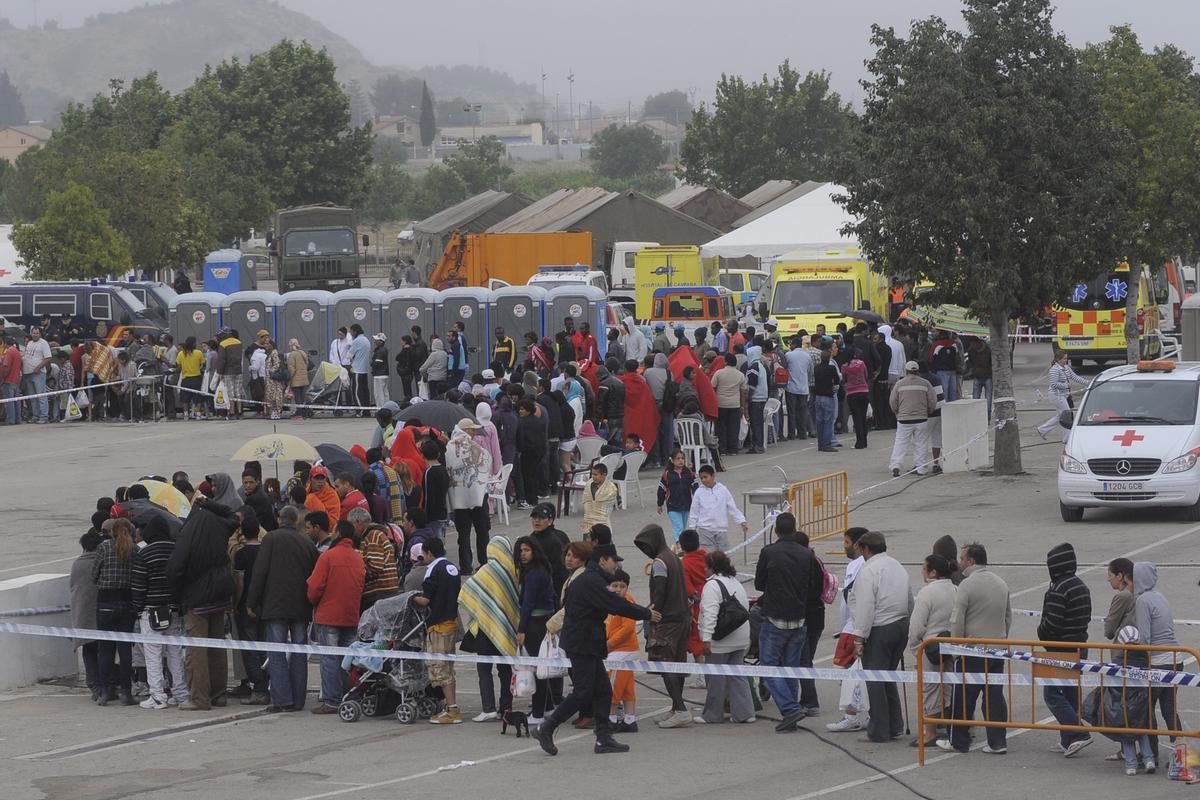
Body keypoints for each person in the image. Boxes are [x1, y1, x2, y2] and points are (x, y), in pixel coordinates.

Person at [534, 540, 659, 756]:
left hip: (587, 642)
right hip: (582, 643)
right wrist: (646, 613)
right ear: (603, 560)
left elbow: (613, 596)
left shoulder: (593, 578)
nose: (616, 566)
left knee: (603, 690)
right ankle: (547, 727)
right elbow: (616, 605)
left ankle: (603, 738)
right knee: (583, 691)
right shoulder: (591, 581)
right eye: (613, 562)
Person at [938, 542, 1011, 755]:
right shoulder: (1001, 583)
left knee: (963, 698)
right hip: (997, 648)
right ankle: (998, 741)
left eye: (962, 559)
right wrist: (1001, 637)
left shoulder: (967, 585)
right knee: (994, 697)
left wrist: (957, 646)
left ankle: (958, 741)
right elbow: (1007, 616)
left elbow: (957, 619)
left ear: (970, 561)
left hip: (973, 649)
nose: (960, 563)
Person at [245, 506, 318, 712]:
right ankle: (298, 700)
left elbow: (260, 572)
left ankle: (281, 699)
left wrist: (251, 602)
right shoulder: (307, 543)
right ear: (296, 521)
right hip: (301, 606)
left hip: (275, 604)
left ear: (279, 519)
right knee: (299, 652)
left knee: (276, 652)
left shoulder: (270, 539)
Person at [754, 512, 818, 732]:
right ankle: (792, 710)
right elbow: (813, 586)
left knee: (769, 667)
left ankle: (790, 709)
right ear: (795, 528)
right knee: (791, 668)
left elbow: (759, 583)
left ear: (776, 530)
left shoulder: (769, 552)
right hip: (799, 619)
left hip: (774, 619)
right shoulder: (807, 555)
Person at [848, 531, 912, 744]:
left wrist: (859, 637)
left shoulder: (869, 571)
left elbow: (866, 606)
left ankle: (879, 730)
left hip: (880, 628)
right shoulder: (897, 566)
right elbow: (909, 599)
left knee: (875, 680)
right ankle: (895, 725)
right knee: (888, 677)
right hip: (900, 625)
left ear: (866, 549)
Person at [633, 523, 691, 728]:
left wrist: (652, 611)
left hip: (667, 621)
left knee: (665, 665)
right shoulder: (674, 557)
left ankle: (681, 709)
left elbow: (660, 590)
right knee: (678, 664)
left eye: (645, 546)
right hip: (684, 618)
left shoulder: (659, 562)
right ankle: (677, 707)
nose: (645, 551)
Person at [1037, 543, 1093, 757]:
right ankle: (1067, 739)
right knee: (1070, 694)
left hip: (1060, 649)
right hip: (1080, 646)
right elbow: (1086, 616)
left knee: (1052, 694)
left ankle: (1078, 733)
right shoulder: (1082, 586)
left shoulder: (1058, 590)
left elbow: (1051, 625)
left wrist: (1041, 631)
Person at [308, 519, 366, 714]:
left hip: (329, 615)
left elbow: (314, 587)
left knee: (330, 659)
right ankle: (349, 696)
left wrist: (313, 601)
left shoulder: (328, 556)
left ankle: (332, 701)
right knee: (348, 660)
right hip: (350, 615)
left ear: (339, 533)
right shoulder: (358, 558)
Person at [131, 516, 189, 709]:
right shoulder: (176, 550)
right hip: (174, 609)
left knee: (153, 654)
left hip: (152, 610)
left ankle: (157, 695)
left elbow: (139, 585)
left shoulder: (145, 553)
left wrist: (138, 609)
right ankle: (180, 693)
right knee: (175, 652)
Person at [460, 536, 519, 723]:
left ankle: (488, 708)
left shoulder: (485, 571)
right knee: (505, 670)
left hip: (485, 629)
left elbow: (467, 590)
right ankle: (506, 708)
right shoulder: (514, 572)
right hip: (506, 628)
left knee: (484, 668)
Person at [697, 549, 754, 724]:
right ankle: (745, 713)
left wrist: (706, 639)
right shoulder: (735, 582)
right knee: (737, 675)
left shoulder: (712, 585)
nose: (704, 570)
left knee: (716, 677)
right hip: (741, 638)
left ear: (712, 567)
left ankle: (713, 714)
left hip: (721, 640)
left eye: (705, 566)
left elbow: (710, 614)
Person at [906, 553, 956, 747]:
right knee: (949, 686)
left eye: (924, 568)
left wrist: (915, 647)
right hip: (951, 644)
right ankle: (951, 725)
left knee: (930, 688)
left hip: (930, 646)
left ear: (933, 572)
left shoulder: (927, 593)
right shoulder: (956, 589)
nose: (922, 572)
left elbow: (917, 625)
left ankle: (930, 732)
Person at [411, 537, 463, 724]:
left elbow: (425, 600)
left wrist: (412, 597)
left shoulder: (432, 570)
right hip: (451, 623)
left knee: (440, 669)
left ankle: (452, 710)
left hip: (437, 626)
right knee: (449, 668)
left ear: (429, 553)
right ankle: (452, 705)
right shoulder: (453, 568)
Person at [1134, 561, 1181, 763]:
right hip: (1175, 658)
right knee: (1169, 709)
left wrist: (1131, 647)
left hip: (1158, 662)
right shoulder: (1160, 596)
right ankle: (1181, 752)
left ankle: (1150, 753)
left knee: (1147, 709)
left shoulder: (1143, 600)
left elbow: (1145, 638)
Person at [827, 527, 871, 733]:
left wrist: (846, 627)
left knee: (844, 672)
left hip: (853, 627)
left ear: (857, 544)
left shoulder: (856, 565)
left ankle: (850, 715)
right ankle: (870, 714)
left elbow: (848, 599)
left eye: (846, 543)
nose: (844, 547)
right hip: (862, 625)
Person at [92, 518, 137, 705]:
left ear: (112, 531)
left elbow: (94, 575)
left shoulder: (103, 547)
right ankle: (126, 691)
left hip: (105, 602)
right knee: (125, 650)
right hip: (127, 602)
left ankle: (104, 691)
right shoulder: (135, 549)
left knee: (105, 649)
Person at [514, 535, 558, 723]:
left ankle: (538, 712)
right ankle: (547, 707)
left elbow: (528, 604)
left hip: (535, 624)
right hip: (544, 621)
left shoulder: (533, 574)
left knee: (537, 668)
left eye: (527, 550)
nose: (523, 554)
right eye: (521, 551)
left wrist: (521, 630)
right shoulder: (540, 570)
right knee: (541, 666)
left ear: (534, 551)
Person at [447, 419, 492, 573]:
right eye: (472, 430)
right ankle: (484, 562)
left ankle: (466, 566)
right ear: (466, 430)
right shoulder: (475, 447)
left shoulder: (449, 447)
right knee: (482, 531)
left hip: (459, 498)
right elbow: (486, 464)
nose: (474, 433)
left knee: (463, 534)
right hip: (478, 495)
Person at [889, 361, 938, 477]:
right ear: (917, 371)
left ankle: (896, 466)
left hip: (904, 419)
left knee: (900, 442)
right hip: (921, 419)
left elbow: (892, 401)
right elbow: (932, 401)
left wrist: (897, 412)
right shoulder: (925, 383)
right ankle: (921, 468)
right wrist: (928, 411)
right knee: (921, 443)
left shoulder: (899, 384)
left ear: (906, 371)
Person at [346, 507, 400, 611]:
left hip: (380, 594)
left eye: (351, 525)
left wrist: (356, 572)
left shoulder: (373, 535)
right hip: (383, 593)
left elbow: (375, 566)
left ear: (358, 522)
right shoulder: (372, 535)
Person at [70, 530, 103, 699]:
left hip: (83, 615)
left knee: (89, 651)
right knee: (104, 651)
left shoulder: (77, 564)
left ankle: (94, 685)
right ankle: (105, 684)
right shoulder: (101, 561)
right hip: (101, 614)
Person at [689, 464, 748, 553]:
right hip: (705, 530)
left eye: (706, 477)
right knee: (708, 556)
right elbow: (694, 511)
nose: (704, 480)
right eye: (701, 478)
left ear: (713, 476)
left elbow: (732, 507)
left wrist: (741, 521)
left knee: (724, 555)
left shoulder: (723, 490)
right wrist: (692, 528)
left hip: (721, 529)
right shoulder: (698, 492)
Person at [678, 529, 709, 688]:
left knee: (697, 641)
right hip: (712, 599)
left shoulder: (684, 563)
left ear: (682, 546)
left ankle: (703, 677)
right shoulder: (706, 557)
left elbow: (688, 589)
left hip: (697, 607)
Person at [1038, 350, 1089, 440]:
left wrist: (1088, 383)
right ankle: (1066, 438)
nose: (1066, 360)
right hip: (1056, 395)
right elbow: (1053, 384)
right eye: (1064, 358)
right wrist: (1065, 385)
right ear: (1058, 359)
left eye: (1066, 358)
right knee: (1067, 415)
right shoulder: (1054, 369)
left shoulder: (1066, 368)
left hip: (1062, 395)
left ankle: (1042, 429)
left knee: (1061, 416)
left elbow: (1075, 377)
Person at [710, 354, 747, 456]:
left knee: (720, 427)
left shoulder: (719, 373)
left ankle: (722, 449)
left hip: (720, 404)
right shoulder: (740, 375)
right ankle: (733, 449)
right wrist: (742, 406)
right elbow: (743, 392)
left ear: (725, 362)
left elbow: (712, 388)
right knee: (734, 428)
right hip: (735, 405)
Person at [657, 451, 696, 542]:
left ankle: (682, 547)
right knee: (678, 527)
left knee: (683, 528)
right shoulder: (667, 474)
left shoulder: (689, 473)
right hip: (673, 505)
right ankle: (679, 547)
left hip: (686, 505)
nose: (680, 461)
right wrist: (660, 503)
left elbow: (695, 487)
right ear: (672, 460)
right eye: (678, 458)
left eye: (682, 458)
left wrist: (699, 501)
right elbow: (661, 489)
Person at [516, 399, 547, 509]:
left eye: (522, 409)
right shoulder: (539, 421)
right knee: (534, 474)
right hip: (539, 451)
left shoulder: (522, 422)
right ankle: (534, 498)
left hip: (528, 451)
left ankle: (530, 498)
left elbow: (521, 438)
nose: (520, 411)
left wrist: (520, 449)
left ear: (528, 410)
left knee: (527, 475)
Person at [419, 439, 451, 541]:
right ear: (438, 454)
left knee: (435, 544)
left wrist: (425, 516)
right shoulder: (443, 469)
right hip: (443, 512)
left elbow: (428, 496)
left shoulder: (429, 472)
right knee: (441, 542)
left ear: (423, 455)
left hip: (432, 516)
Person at [20, 326, 52, 424]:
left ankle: (44, 416)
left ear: (40, 334)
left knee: (41, 396)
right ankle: (35, 416)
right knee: (32, 397)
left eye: (37, 333)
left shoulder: (43, 343)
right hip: (28, 373)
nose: (35, 335)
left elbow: (48, 357)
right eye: (33, 333)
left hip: (38, 373)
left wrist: (38, 367)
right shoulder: (29, 343)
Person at [813, 347, 841, 452]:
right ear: (829, 358)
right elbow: (837, 380)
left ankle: (820, 444)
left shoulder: (816, 368)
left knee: (819, 421)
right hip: (827, 396)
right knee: (828, 421)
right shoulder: (831, 368)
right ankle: (827, 444)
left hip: (818, 396)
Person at [842, 347, 871, 449]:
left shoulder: (845, 366)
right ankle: (865, 440)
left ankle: (859, 442)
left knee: (856, 417)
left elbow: (844, 379)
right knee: (863, 417)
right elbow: (866, 375)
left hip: (852, 393)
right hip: (863, 391)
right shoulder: (861, 363)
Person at [580, 461, 619, 535]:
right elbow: (586, 502)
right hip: (587, 523)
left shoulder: (611, 488)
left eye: (595, 474)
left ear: (604, 475)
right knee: (587, 546)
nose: (593, 477)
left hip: (603, 524)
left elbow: (602, 510)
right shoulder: (589, 484)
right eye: (592, 474)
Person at [215, 328, 245, 419]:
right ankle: (239, 412)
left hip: (228, 371)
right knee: (238, 391)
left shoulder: (223, 344)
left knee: (230, 392)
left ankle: (232, 412)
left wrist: (220, 372)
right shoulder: (238, 342)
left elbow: (222, 360)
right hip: (238, 370)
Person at [744, 346, 769, 454]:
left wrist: (747, 398)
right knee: (757, 422)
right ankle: (758, 445)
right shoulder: (761, 366)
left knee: (756, 423)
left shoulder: (754, 367)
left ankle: (758, 446)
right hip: (762, 397)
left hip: (756, 398)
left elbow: (752, 385)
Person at [1104, 557, 1136, 641]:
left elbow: (1109, 631)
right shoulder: (1138, 593)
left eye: (1110, 575)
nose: (1108, 579)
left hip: (1124, 648)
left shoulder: (1123, 596)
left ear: (1119, 576)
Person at [966, 338, 993, 419]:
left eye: (973, 344)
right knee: (975, 398)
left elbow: (992, 362)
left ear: (979, 342)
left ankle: (987, 417)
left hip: (988, 376)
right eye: (971, 344)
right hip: (977, 376)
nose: (972, 346)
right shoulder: (971, 350)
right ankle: (976, 417)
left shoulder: (988, 350)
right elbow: (970, 362)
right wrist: (972, 371)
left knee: (988, 398)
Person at [262, 339, 286, 420]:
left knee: (275, 396)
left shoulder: (274, 352)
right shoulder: (268, 353)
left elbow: (277, 364)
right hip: (269, 380)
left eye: (266, 344)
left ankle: (276, 412)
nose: (265, 345)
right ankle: (273, 411)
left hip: (274, 380)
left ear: (271, 344)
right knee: (270, 396)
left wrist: (270, 371)